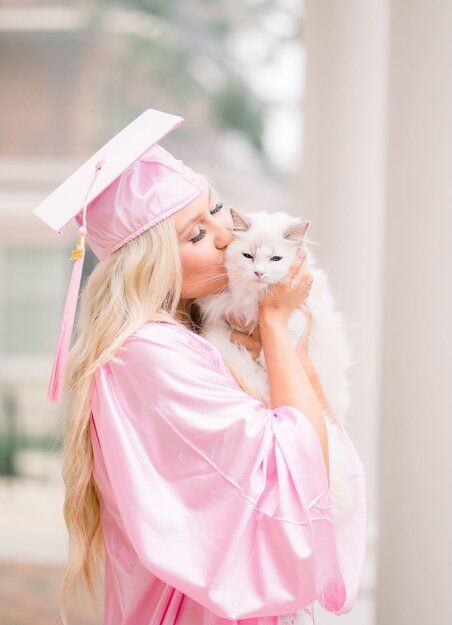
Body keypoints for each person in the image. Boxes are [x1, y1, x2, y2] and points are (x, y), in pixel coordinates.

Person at [33, 109, 366, 625]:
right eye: (195, 236)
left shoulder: (191, 336)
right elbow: (295, 469)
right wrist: (277, 327)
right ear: (151, 261)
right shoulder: (146, 354)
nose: (226, 238)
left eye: (218, 212)